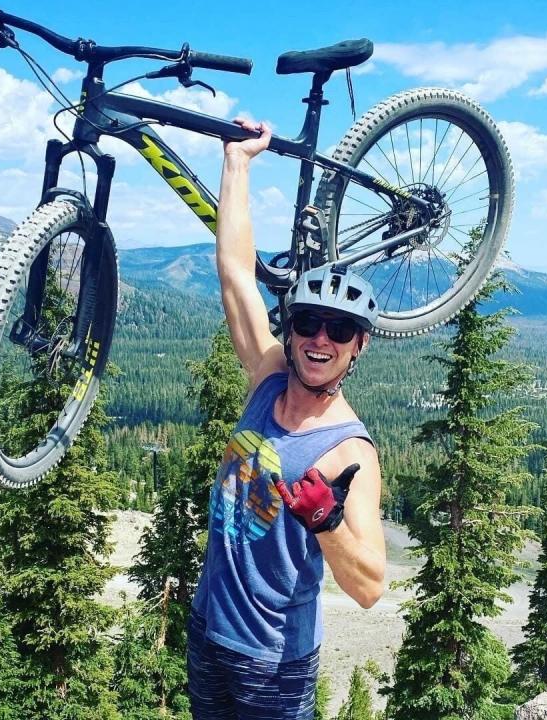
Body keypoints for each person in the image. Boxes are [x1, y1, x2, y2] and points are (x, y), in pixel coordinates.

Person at [187, 118, 386, 720]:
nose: (321, 339)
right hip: (209, 632)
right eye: (309, 323)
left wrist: (326, 521)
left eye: (341, 330)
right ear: (291, 329)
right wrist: (238, 162)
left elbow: (370, 586)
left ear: (358, 347)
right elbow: (235, 275)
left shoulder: (350, 450)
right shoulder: (268, 375)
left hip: (273, 662)